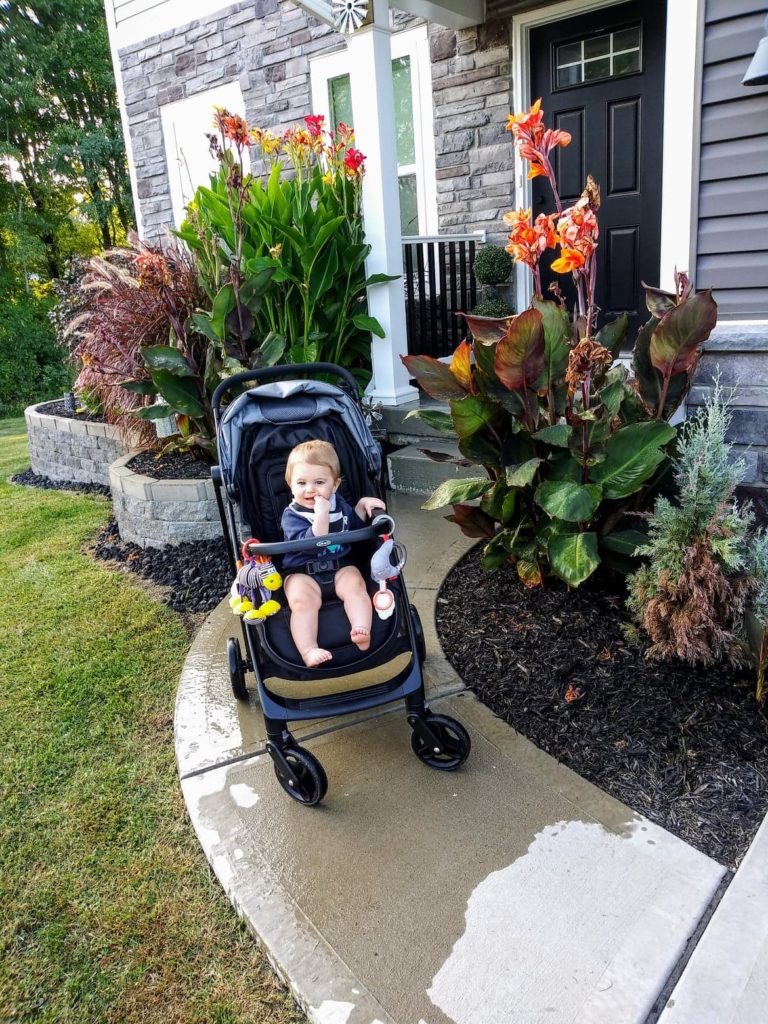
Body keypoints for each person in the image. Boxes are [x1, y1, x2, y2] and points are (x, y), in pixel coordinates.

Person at [281, 440, 386, 667]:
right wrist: (321, 515)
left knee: (356, 584)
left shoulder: (339, 504)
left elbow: (354, 528)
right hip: (301, 571)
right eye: (301, 483)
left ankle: (361, 628)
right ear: (290, 485)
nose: (310, 489)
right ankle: (308, 649)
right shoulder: (292, 515)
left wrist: (361, 505)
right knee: (301, 601)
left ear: (335, 485)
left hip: (339, 564)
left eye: (319, 482)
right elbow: (312, 543)